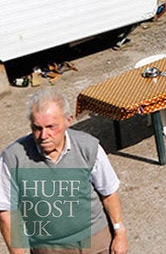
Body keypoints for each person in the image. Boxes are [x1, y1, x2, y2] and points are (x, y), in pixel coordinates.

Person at [0, 88, 128, 254]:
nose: (44, 135)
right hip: (48, 247)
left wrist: (120, 233)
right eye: (37, 128)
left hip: (96, 240)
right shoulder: (13, 158)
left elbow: (109, 191)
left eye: (51, 126)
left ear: (68, 120)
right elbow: (6, 212)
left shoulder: (88, 147)